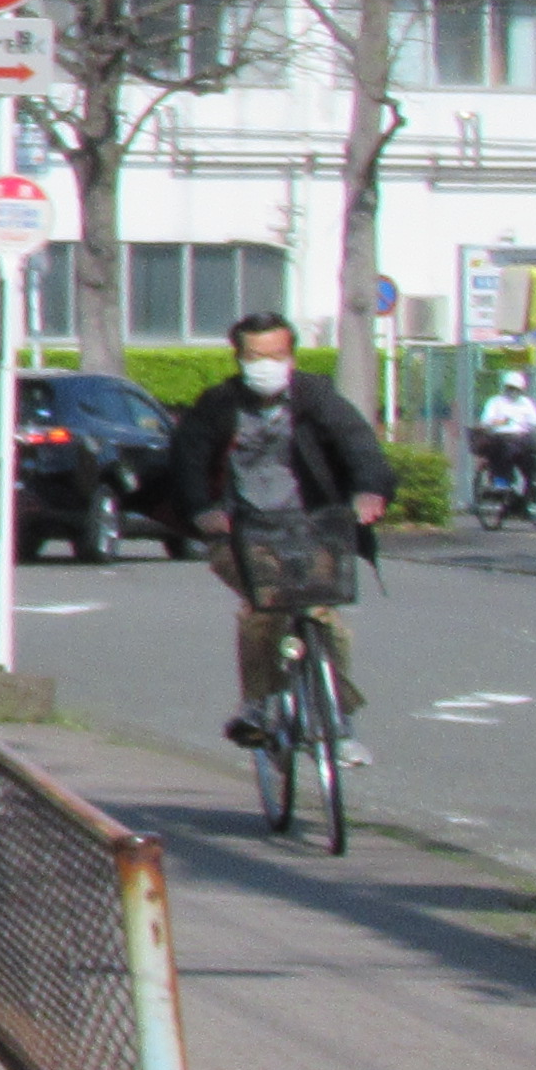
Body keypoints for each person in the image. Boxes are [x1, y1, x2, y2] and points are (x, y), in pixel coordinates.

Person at [173, 312, 394, 758]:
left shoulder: (316, 397)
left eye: (276, 355)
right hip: (242, 532)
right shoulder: (218, 405)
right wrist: (203, 511)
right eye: (255, 356)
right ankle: (258, 704)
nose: (266, 365)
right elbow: (187, 461)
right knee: (263, 608)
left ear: (291, 356)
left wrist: (369, 491)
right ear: (238, 358)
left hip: (311, 528)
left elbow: (358, 444)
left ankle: (338, 722)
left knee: (324, 616)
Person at [479, 367, 536, 519]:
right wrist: (499, 421)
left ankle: (530, 495)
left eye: (516, 389)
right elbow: (486, 421)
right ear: (505, 387)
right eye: (510, 388)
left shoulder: (526, 403)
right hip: (502, 439)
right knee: (504, 455)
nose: (513, 392)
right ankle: (501, 484)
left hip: (522, 440)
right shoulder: (496, 402)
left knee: (533, 463)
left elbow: (535, 419)